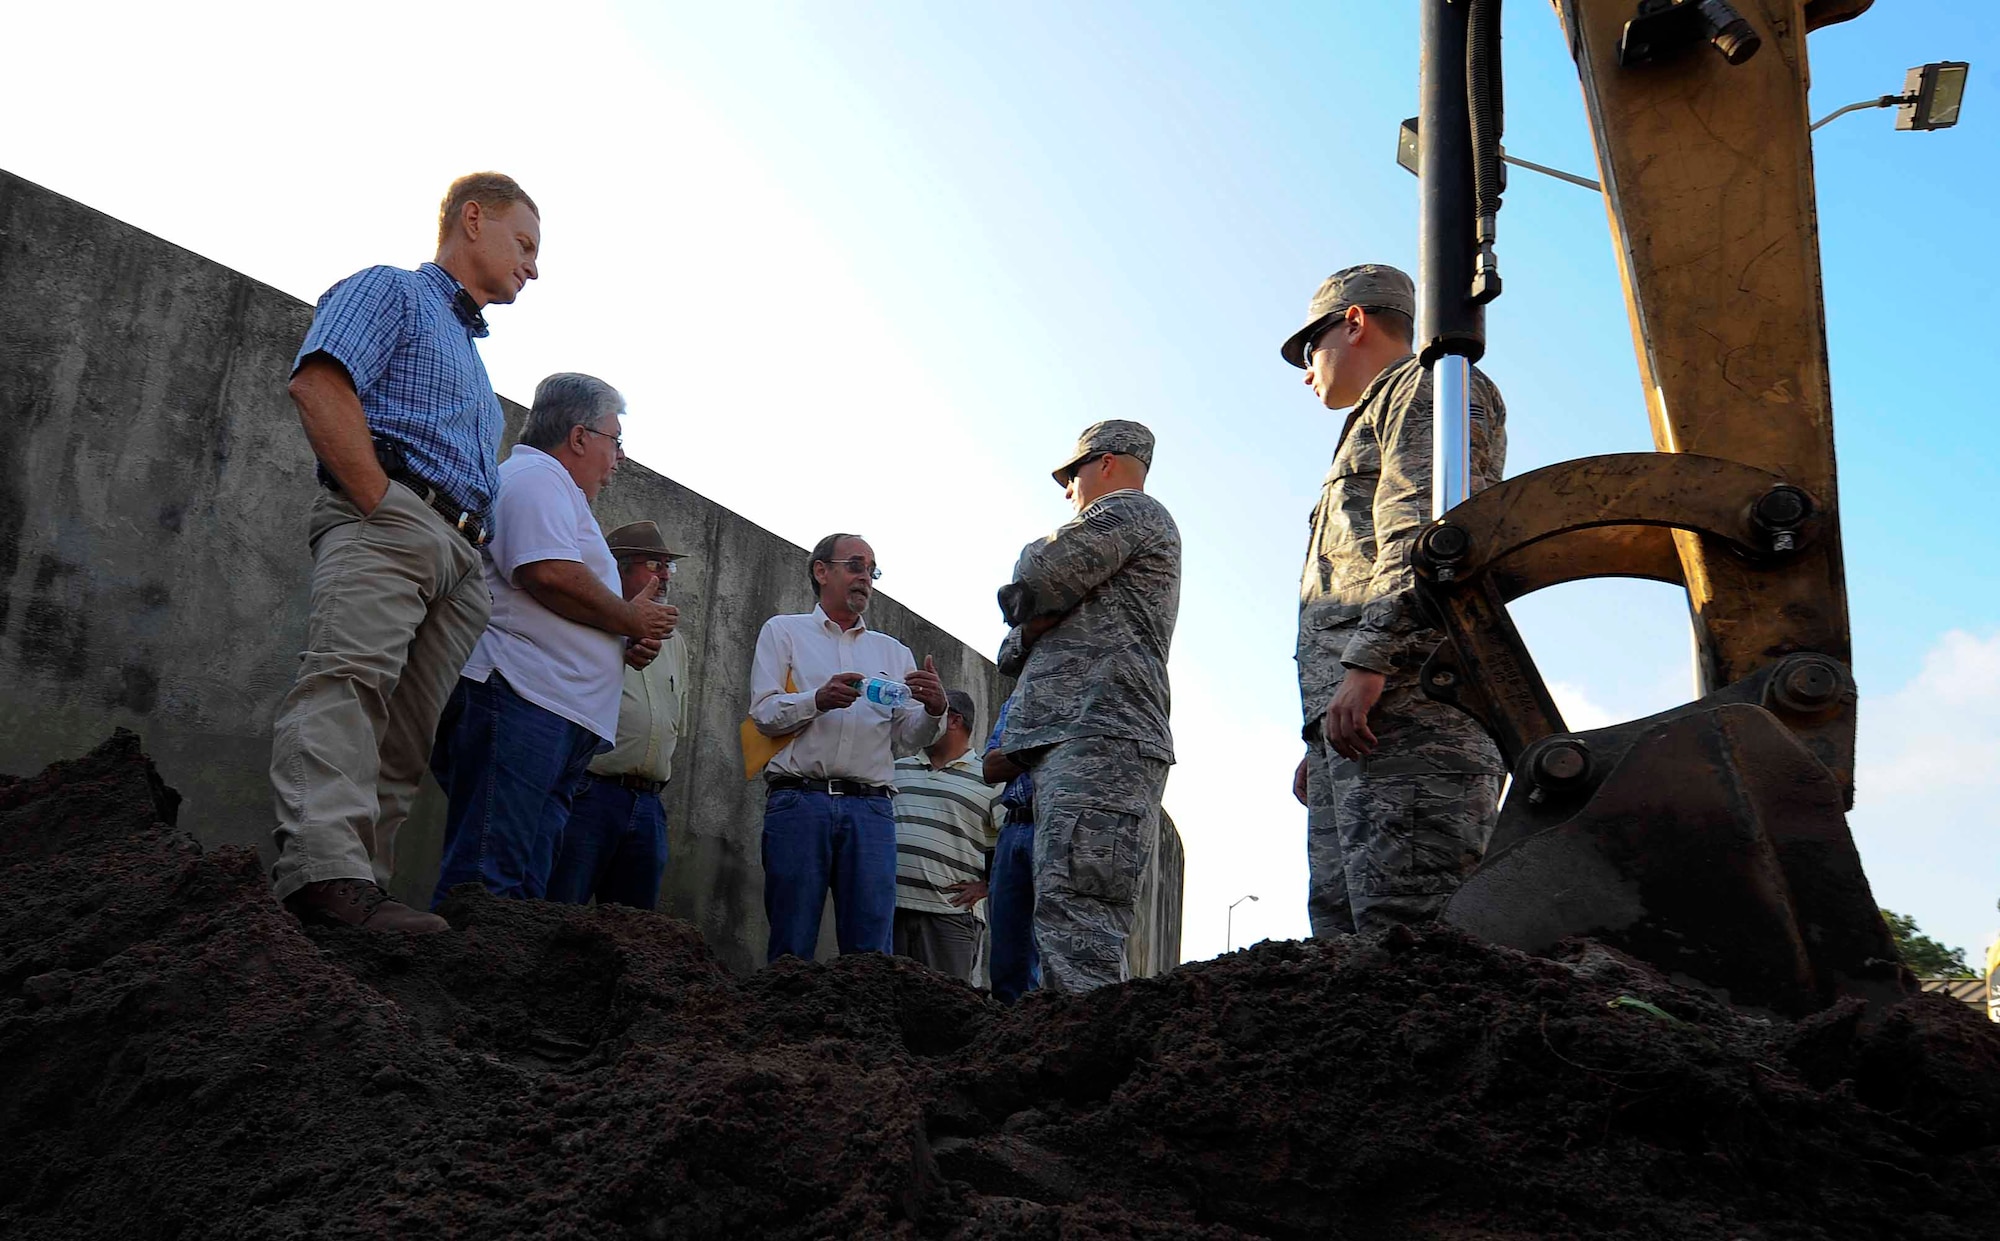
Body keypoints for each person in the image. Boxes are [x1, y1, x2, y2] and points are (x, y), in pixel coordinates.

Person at [268, 172, 541, 933]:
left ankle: (363, 891)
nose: (533, 265)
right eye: (524, 243)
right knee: (347, 685)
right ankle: (322, 872)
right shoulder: (391, 289)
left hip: (457, 559)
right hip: (395, 517)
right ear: (473, 219)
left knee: (404, 735)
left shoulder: (473, 361)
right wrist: (380, 503)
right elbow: (321, 383)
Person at [1280, 263, 1509, 935]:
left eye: (1308, 347)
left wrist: (1369, 663)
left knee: (1414, 937)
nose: (1306, 369)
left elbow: (1427, 536)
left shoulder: (1428, 387)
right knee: (1346, 937)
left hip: (1413, 710)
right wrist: (1319, 729)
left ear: (1352, 322)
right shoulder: (1381, 411)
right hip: (1361, 721)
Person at [428, 374, 675, 907]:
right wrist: (631, 622)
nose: (620, 459)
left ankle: (495, 984)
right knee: (489, 877)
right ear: (581, 436)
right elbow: (549, 574)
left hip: (552, 715)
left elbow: (565, 594)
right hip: (520, 702)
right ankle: (463, 981)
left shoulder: (561, 495)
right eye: (615, 440)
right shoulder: (535, 477)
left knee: (524, 890)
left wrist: (619, 639)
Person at [994, 421, 1180, 993]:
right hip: (1080, 739)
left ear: (1106, 463)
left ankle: (1091, 1073)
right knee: (1063, 924)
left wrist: (1037, 611)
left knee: (1082, 933)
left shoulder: (1132, 513)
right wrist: (1035, 622)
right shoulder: (1116, 531)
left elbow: (1035, 575)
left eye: (1071, 474)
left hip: (1104, 738)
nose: (1067, 490)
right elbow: (1011, 648)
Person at [748, 534, 948, 962]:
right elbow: (763, 714)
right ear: (822, 571)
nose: (866, 579)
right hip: (799, 801)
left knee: (872, 951)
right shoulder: (784, 631)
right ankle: (786, 1027)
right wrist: (817, 700)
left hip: (871, 810)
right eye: (856, 565)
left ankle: (868, 1031)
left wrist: (934, 710)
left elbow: (905, 739)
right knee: (791, 943)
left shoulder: (893, 652)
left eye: (872, 571)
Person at [546, 521, 691, 911]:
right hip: (590, 793)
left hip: (648, 805)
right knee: (561, 912)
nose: (664, 575)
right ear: (619, 568)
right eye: (653, 564)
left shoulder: (675, 644)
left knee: (635, 938)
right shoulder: (585, 622)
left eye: (667, 567)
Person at [890, 689, 1005, 981]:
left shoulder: (990, 779)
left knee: (946, 1008)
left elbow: (1011, 844)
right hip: (890, 912)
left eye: (930, 714)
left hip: (950, 918)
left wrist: (987, 886)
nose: (920, 721)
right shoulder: (894, 770)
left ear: (953, 721)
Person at [981, 691, 1041, 1004]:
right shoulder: (1017, 701)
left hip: (1058, 827)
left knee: (1060, 950)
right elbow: (991, 767)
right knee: (1006, 958)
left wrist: (1018, 751)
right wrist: (1044, 744)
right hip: (1013, 826)